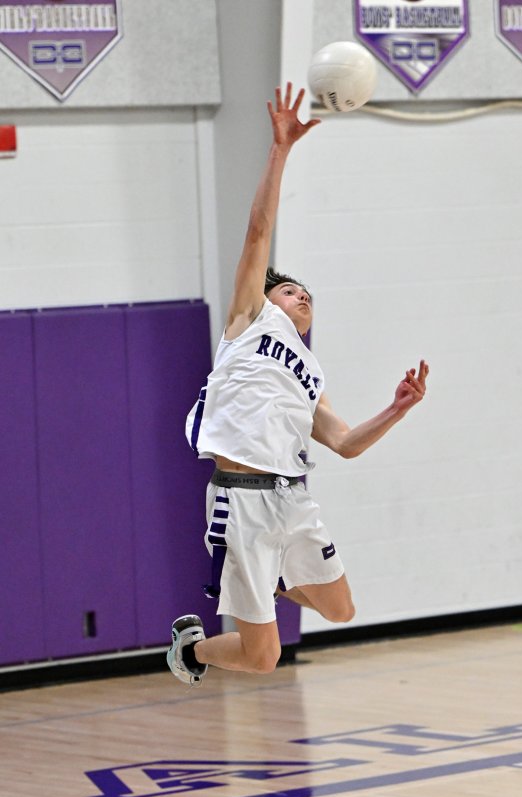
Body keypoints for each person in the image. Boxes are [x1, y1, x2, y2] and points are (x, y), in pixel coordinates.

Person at [167, 82, 429, 686]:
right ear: (266, 297)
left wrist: (397, 409)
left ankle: (275, 582)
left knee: (342, 610)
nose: (301, 295)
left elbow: (345, 443)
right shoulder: (246, 320)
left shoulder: (308, 373)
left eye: (308, 295)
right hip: (241, 499)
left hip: (294, 497)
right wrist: (281, 149)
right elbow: (258, 232)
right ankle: (193, 649)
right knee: (264, 659)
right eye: (290, 288)